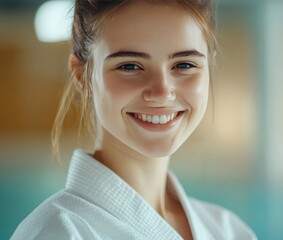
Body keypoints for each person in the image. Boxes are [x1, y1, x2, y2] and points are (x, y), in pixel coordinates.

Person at [11, 0, 257, 239]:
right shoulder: (59, 232)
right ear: (81, 76)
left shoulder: (229, 231)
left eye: (184, 64)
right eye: (130, 66)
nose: (161, 92)